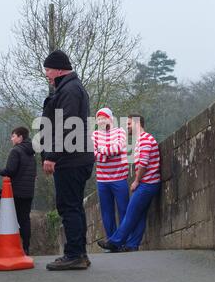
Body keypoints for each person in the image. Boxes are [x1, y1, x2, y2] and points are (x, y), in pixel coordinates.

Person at [41, 50, 94, 270]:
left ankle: (74, 254)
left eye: (48, 70)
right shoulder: (70, 87)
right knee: (74, 206)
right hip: (76, 157)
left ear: (60, 69)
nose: (47, 75)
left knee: (68, 206)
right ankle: (79, 252)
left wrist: (52, 156)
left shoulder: (69, 90)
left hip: (71, 159)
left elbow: (67, 125)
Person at [97, 114, 161, 252]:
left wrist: (136, 181)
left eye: (130, 124)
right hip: (149, 183)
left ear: (138, 123)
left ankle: (115, 242)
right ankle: (132, 244)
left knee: (131, 213)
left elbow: (143, 164)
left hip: (147, 184)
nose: (127, 127)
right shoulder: (140, 140)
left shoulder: (144, 139)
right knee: (140, 214)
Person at [0, 127, 36, 255]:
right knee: (25, 219)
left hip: (16, 191)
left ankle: (11, 248)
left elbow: (11, 170)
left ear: (20, 137)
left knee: (10, 219)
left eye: (13, 136)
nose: (11, 139)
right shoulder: (31, 152)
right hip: (28, 191)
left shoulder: (16, 151)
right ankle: (26, 248)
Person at [91, 108, 129, 240]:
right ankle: (111, 240)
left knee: (123, 209)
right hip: (102, 179)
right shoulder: (95, 135)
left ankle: (123, 240)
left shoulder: (120, 131)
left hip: (119, 177)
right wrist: (106, 156)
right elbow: (92, 154)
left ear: (110, 119)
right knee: (107, 212)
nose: (101, 121)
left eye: (103, 118)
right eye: (99, 119)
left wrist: (101, 150)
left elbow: (119, 148)